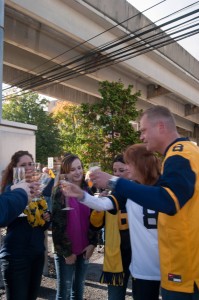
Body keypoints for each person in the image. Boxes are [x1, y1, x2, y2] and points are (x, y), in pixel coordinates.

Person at [89, 105, 199, 300]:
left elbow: (167, 201)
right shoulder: (187, 152)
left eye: (143, 130)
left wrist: (115, 182)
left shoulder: (179, 155)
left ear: (160, 127)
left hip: (185, 268)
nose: (141, 136)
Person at [63, 146, 161, 300]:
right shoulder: (127, 190)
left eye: (128, 164)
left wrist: (111, 180)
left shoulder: (164, 185)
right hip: (142, 267)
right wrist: (82, 195)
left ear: (142, 165)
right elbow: (103, 205)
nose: (125, 169)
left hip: (167, 262)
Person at [0, 150, 51, 300]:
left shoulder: (38, 191)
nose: (28, 168)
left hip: (36, 253)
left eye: (30, 164)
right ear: (15, 169)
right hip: (16, 256)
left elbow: (42, 224)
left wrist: (47, 217)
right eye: (23, 165)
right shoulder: (11, 190)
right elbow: (5, 219)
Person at [51, 153, 98, 300]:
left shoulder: (87, 191)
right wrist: (66, 252)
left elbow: (95, 221)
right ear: (65, 172)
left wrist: (92, 244)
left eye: (79, 168)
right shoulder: (59, 192)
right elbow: (57, 226)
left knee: (78, 292)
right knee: (63, 294)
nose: (78, 172)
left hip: (84, 249)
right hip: (67, 252)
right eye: (73, 169)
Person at [89, 154, 132, 300]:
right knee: (115, 297)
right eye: (115, 171)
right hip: (116, 257)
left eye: (121, 170)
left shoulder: (139, 192)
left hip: (138, 256)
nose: (117, 174)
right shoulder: (109, 196)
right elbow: (95, 225)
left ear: (130, 170)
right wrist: (99, 204)